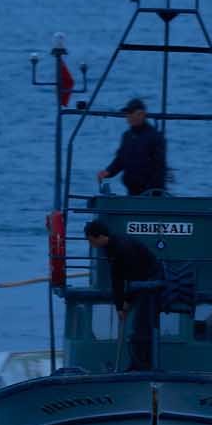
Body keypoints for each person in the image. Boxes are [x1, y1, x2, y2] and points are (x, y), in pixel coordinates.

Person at [84, 218, 160, 371]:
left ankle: (143, 366)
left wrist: (127, 301)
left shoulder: (123, 247)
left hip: (151, 280)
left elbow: (136, 276)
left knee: (142, 323)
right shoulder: (110, 247)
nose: (91, 245)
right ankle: (136, 364)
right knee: (137, 321)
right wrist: (119, 305)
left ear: (99, 237)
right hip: (140, 281)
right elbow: (117, 277)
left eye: (91, 241)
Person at [96, 98, 168, 196]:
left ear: (142, 114)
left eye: (131, 113)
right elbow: (120, 160)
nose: (128, 117)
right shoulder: (127, 136)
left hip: (151, 194)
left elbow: (159, 168)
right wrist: (108, 172)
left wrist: (152, 192)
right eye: (127, 114)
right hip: (131, 191)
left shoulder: (155, 137)